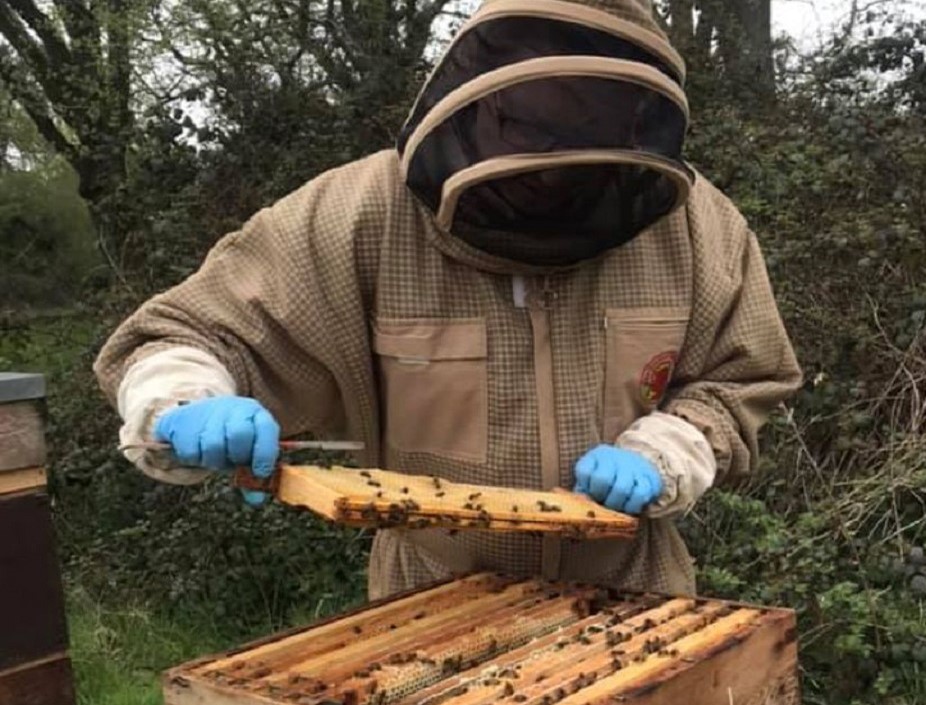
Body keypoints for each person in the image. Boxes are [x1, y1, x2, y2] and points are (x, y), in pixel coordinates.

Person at [93, 0, 802, 601]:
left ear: (635, 122)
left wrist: (669, 448)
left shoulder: (696, 228)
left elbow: (738, 377)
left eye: (588, 128)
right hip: (429, 603)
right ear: (481, 97)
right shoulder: (361, 216)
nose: (554, 165)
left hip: (632, 598)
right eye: (532, 125)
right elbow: (180, 334)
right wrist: (184, 402)